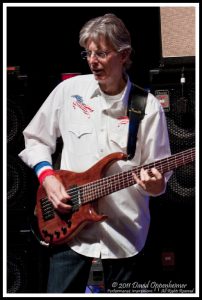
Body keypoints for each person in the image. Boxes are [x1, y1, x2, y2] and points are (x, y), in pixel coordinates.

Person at [19, 13, 172, 293]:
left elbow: (160, 171)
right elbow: (35, 139)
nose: (92, 61)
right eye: (88, 53)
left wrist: (156, 184)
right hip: (67, 232)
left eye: (101, 53)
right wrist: (48, 178)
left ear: (124, 55)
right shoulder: (69, 92)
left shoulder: (147, 106)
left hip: (124, 237)